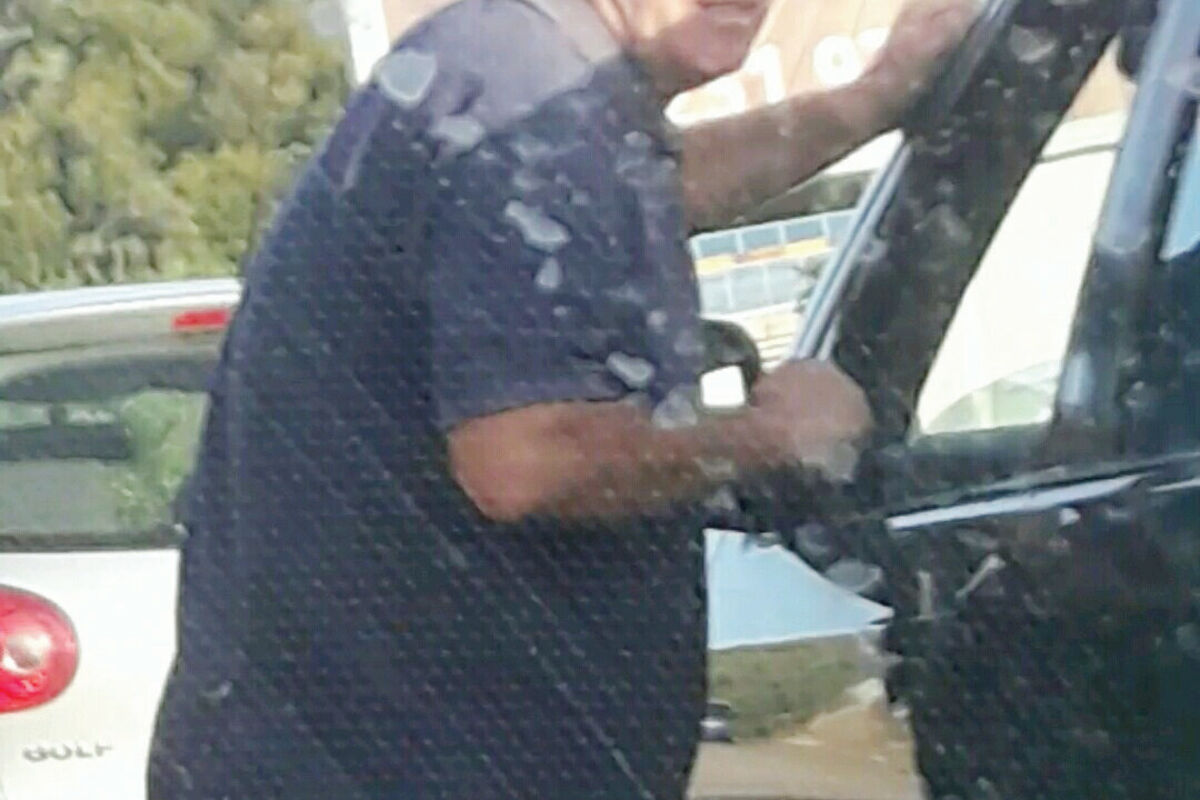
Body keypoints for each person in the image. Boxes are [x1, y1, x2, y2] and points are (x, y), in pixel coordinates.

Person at [147, 0, 976, 798]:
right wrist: (778, 433)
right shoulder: (526, 97)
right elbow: (522, 460)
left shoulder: (522, 81)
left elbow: (644, 190)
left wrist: (869, 101)